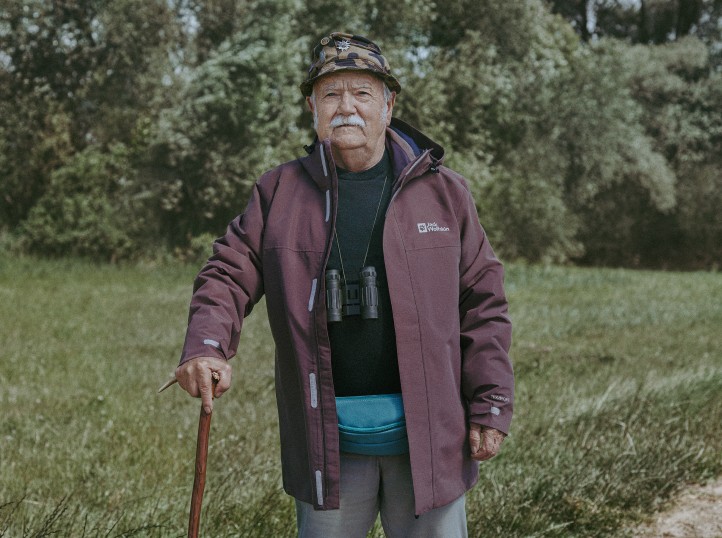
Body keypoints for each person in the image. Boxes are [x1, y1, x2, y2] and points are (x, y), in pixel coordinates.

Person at [174, 31, 514, 537]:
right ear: (313, 108)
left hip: (430, 443)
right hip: (327, 446)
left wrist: (490, 401)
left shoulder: (445, 193)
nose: (346, 107)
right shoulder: (279, 192)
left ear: (388, 103)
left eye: (362, 93)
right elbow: (227, 272)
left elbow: (483, 303)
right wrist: (206, 346)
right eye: (331, 95)